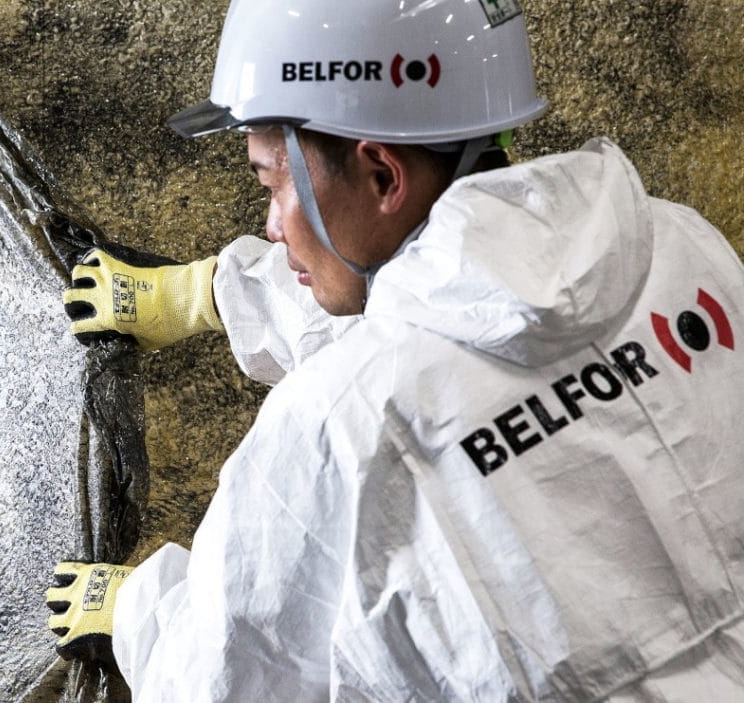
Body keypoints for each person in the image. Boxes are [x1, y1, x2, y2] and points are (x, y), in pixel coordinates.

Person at [45, 0, 744, 700]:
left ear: (381, 173)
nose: (271, 223)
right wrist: (205, 295)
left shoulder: (327, 433)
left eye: (272, 182)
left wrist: (144, 615)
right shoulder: (681, 246)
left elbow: (218, 676)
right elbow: (451, 317)